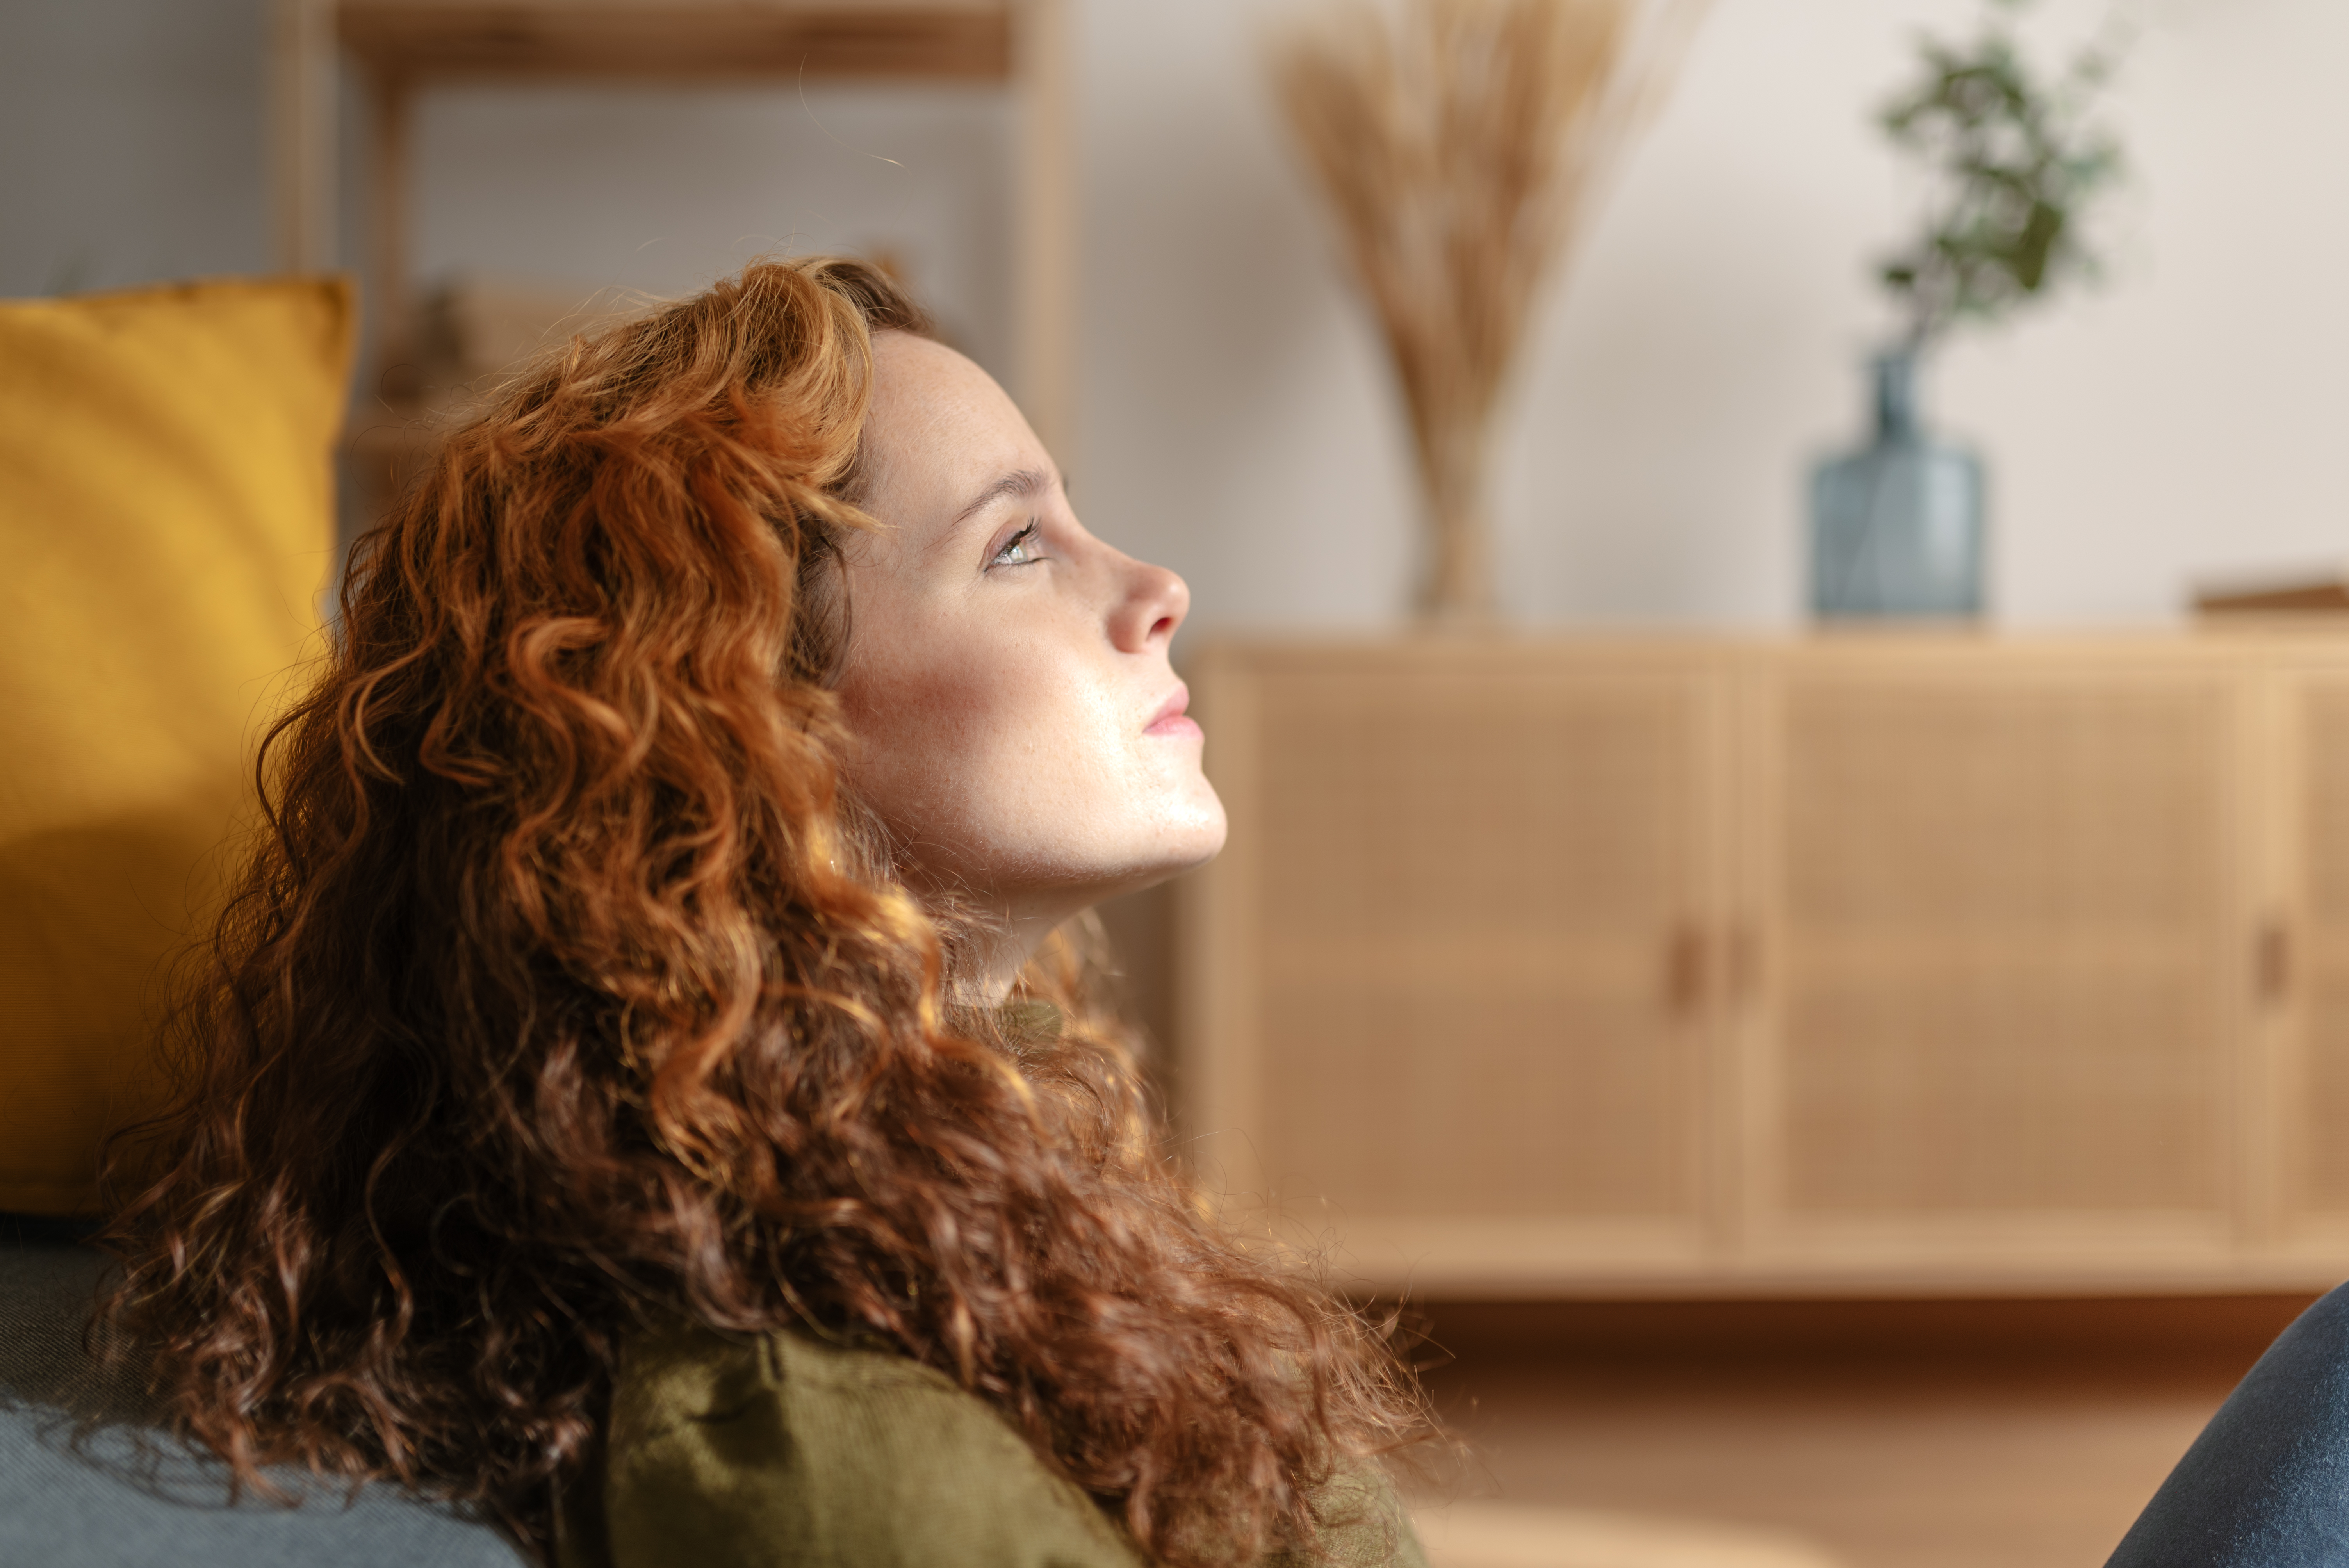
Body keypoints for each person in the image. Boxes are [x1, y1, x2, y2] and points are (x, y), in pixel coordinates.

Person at [96, 258, 1431, 1567]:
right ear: (758, 730)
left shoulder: (995, 1185)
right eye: (1018, 545)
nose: (1159, 590)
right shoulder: (828, 1445)